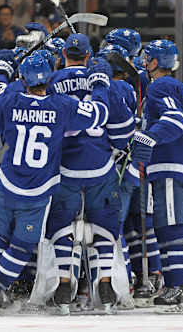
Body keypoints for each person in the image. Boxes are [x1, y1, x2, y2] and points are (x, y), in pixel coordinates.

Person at [0, 51, 112, 315]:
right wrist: (99, 84)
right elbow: (100, 115)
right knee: (22, 246)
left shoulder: (8, 101)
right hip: (37, 193)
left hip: (6, 185)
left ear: (23, 79)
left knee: (1, 238)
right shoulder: (62, 105)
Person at [46, 36, 135, 314]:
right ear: (89, 56)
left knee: (62, 226)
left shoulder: (51, 81)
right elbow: (123, 135)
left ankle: (63, 286)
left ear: (63, 53)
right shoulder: (102, 81)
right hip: (100, 167)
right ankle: (105, 287)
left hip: (65, 169)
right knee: (105, 227)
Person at [131, 39, 183, 314]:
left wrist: (148, 137)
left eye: (147, 57)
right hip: (173, 164)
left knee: (173, 226)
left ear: (156, 62)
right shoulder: (173, 86)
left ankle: (181, 287)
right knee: (164, 226)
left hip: (173, 164)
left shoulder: (162, 85)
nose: (143, 61)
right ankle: (176, 284)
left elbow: (175, 121)